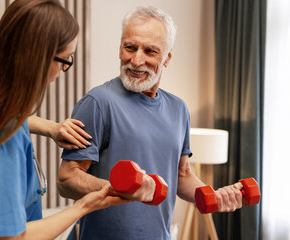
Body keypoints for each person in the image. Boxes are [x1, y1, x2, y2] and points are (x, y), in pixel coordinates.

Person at [0, 0, 130, 239]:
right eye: (65, 60)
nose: (62, 71)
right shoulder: (5, 139)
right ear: (38, 58)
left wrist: (51, 128)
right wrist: (83, 206)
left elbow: (15, 116)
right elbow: (9, 237)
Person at [57, 5, 244, 240]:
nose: (136, 60)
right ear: (120, 48)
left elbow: (182, 175)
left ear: (167, 58)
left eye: (150, 51)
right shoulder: (98, 102)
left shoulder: (179, 109)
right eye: (130, 47)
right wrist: (118, 189)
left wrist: (213, 195)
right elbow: (67, 179)